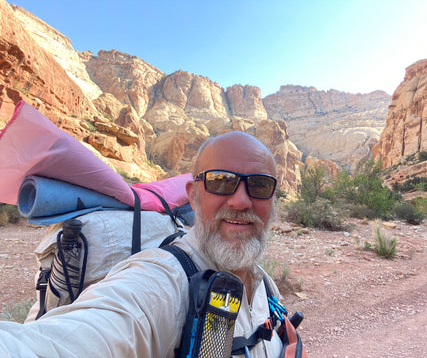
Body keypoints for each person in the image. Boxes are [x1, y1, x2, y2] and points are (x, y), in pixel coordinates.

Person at [0, 131, 285, 357]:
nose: (241, 201)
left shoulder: (265, 285)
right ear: (194, 197)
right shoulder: (162, 281)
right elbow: (59, 344)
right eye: (221, 181)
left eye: (259, 185)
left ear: (272, 200)